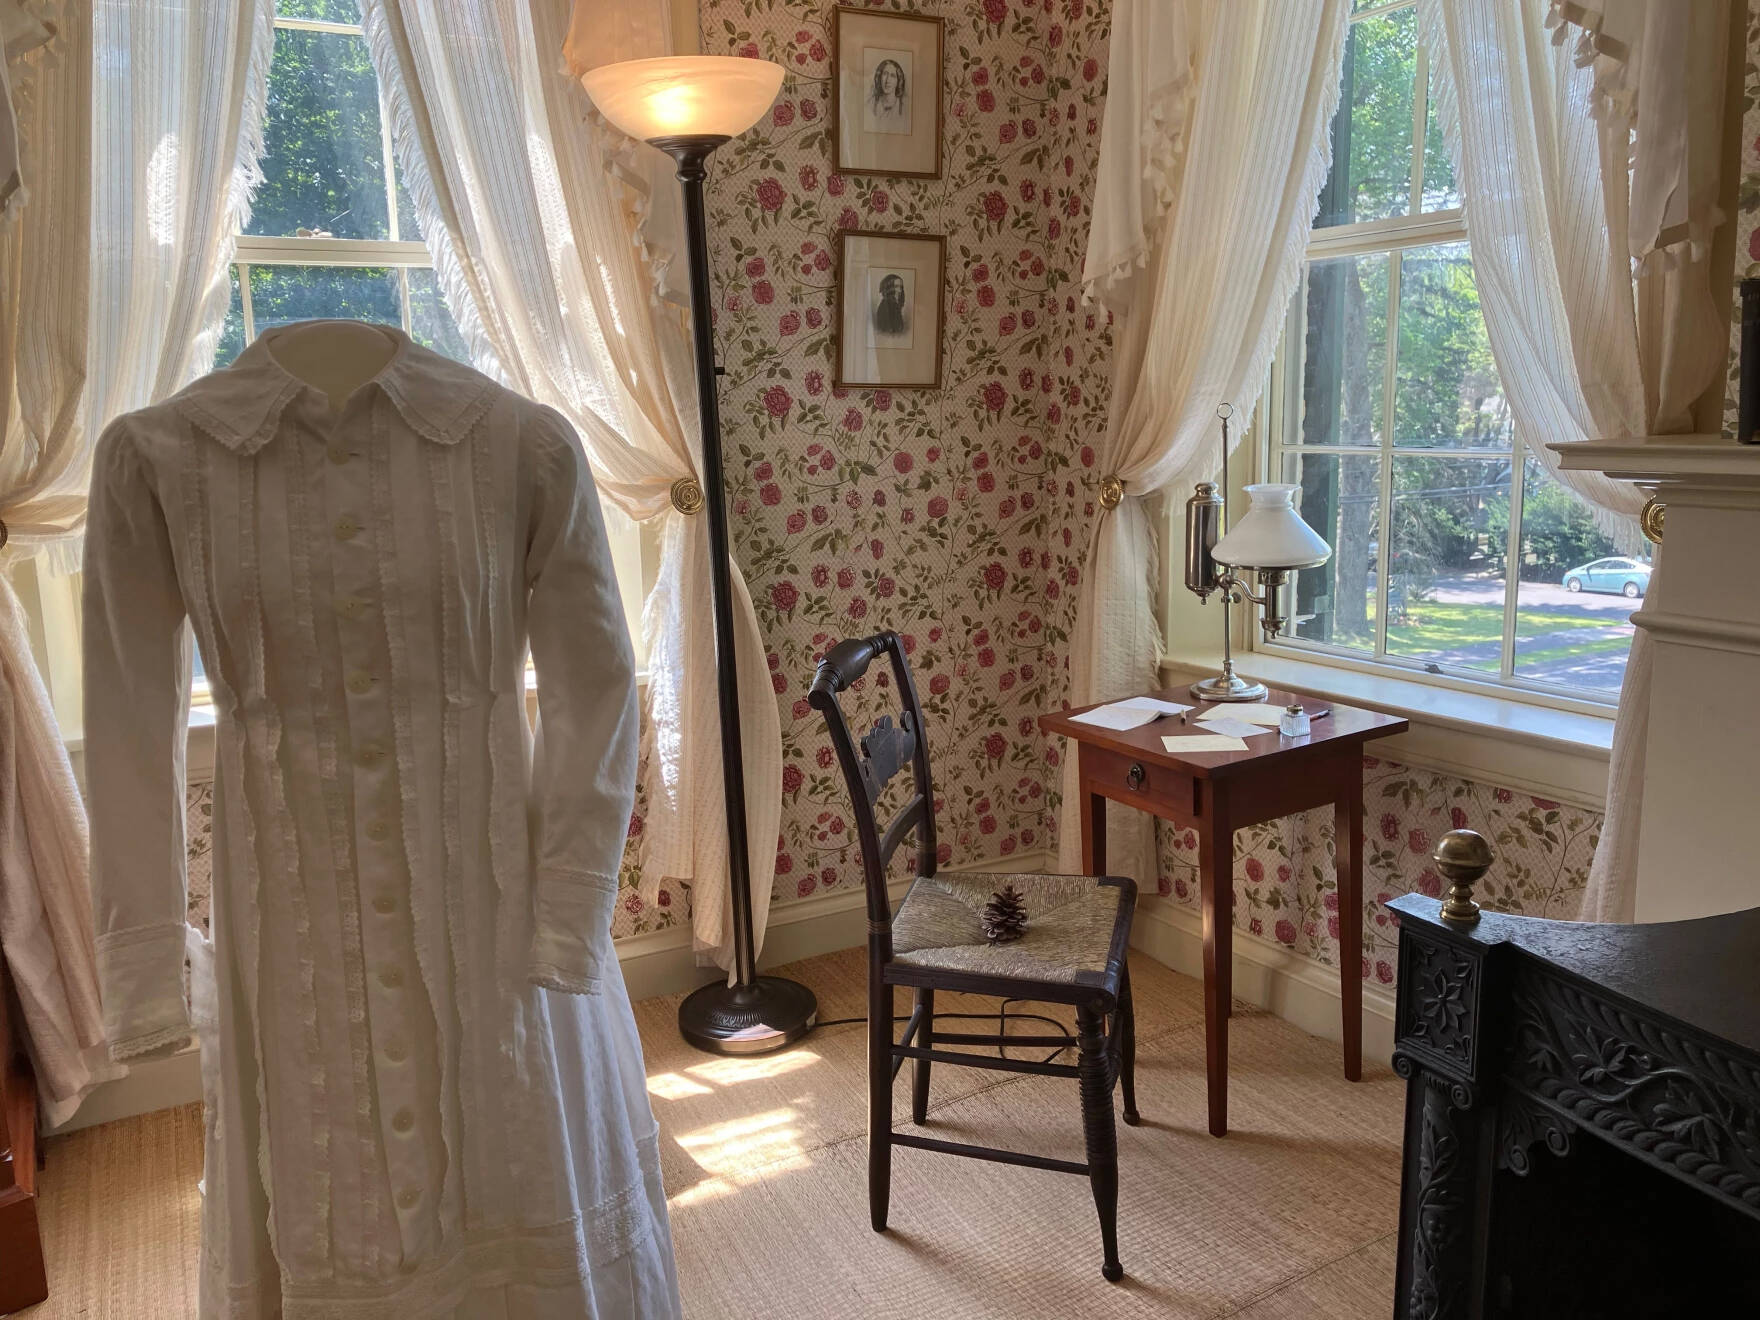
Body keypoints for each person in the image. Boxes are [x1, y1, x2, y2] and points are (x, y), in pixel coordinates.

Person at [867, 57, 908, 132]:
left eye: (892, 76)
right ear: (879, 77)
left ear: (898, 81)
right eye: (885, 74)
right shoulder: (870, 104)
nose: (887, 80)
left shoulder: (904, 107)